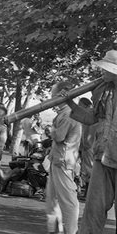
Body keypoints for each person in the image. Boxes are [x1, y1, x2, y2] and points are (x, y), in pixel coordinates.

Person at [64, 50, 117, 234]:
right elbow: (91, 118)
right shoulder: (104, 91)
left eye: (106, 69)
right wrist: (70, 103)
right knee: (94, 208)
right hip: (102, 156)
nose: (102, 71)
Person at [45, 81, 82, 234]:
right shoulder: (65, 112)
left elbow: (59, 137)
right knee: (52, 199)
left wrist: (50, 131)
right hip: (58, 160)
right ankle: (55, 229)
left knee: (68, 201)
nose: (52, 98)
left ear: (62, 93)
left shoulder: (67, 114)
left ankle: (71, 231)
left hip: (63, 162)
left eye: (53, 95)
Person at [76, 97, 94, 198]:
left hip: (89, 146)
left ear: (85, 105)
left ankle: (88, 194)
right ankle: (87, 193)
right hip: (87, 146)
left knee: (89, 170)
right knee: (86, 170)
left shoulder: (89, 114)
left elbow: (88, 133)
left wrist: (85, 145)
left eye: (80, 105)